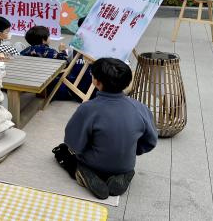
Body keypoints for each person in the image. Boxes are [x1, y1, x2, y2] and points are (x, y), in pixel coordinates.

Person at [52, 58, 157, 200]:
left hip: (93, 163)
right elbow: (151, 141)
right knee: (121, 159)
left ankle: (83, 172)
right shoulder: (140, 108)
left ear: (96, 82)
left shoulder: (88, 109)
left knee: (63, 150)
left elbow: (73, 143)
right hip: (125, 164)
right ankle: (124, 174)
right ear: (127, 82)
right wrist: (132, 149)